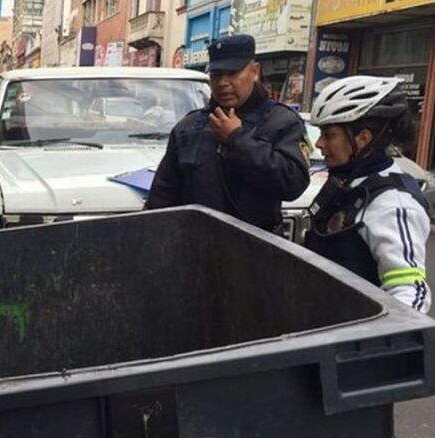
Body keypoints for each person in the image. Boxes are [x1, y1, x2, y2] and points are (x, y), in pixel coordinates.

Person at [146, 34, 310, 233]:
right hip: (195, 248)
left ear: (255, 71)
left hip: (255, 251)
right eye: (216, 75)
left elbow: (293, 184)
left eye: (232, 73)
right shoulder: (189, 128)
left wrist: (236, 139)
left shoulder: (282, 122)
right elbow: (162, 197)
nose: (223, 83)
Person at [306, 76, 430, 313]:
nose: (319, 144)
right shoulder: (349, 181)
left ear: (363, 138)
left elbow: (410, 292)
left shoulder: (394, 204)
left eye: (329, 135)